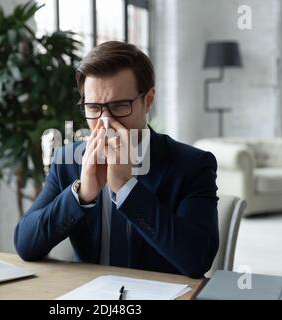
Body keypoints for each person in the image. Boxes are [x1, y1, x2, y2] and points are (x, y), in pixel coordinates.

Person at [14, 41, 219, 278]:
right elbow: (25, 244)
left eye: (120, 106)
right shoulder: (67, 161)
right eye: (94, 108)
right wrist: (81, 194)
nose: (105, 122)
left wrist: (126, 188)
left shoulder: (192, 165)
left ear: (148, 100)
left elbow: (197, 260)